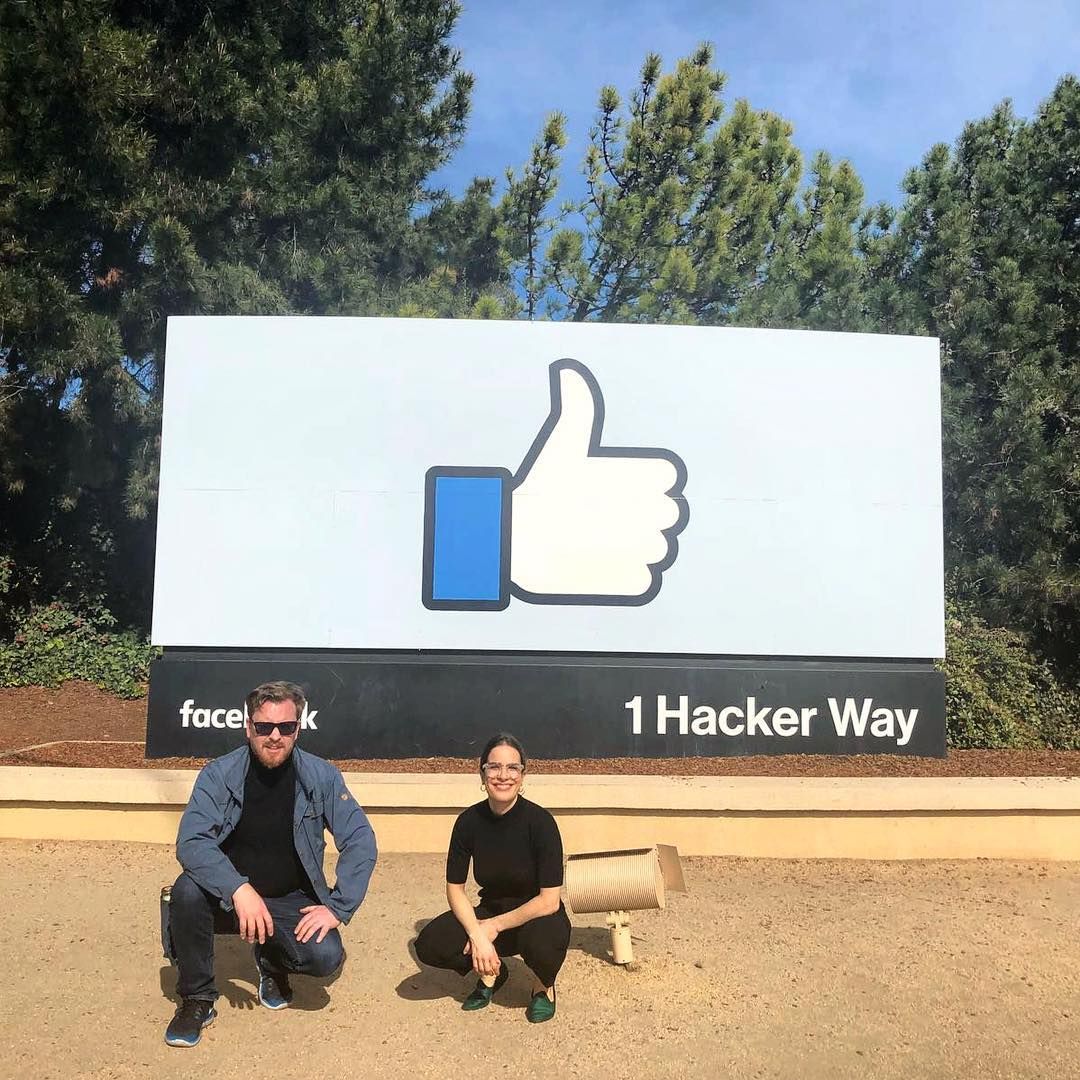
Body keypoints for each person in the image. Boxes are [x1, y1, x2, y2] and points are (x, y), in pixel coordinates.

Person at [163, 680, 377, 1047]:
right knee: (187, 891)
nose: (274, 736)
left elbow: (360, 839)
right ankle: (197, 998)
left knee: (325, 957)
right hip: (230, 897)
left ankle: (272, 963)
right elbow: (192, 841)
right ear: (248, 728)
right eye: (264, 727)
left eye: (286, 727)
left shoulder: (321, 777)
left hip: (288, 897)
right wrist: (238, 888)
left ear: (298, 728)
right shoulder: (219, 775)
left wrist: (338, 908)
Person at [413, 733, 571, 1023]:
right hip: (491, 910)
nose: (503, 776)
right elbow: (455, 890)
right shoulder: (468, 822)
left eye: (512, 768)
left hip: (536, 915)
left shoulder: (541, 823)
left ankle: (542, 987)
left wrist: (492, 929)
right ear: (482, 773)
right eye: (494, 767)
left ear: (523, 775)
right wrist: (477, 934)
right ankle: (492, 974)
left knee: (543, 946)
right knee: (430, 943)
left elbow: (549, 901)